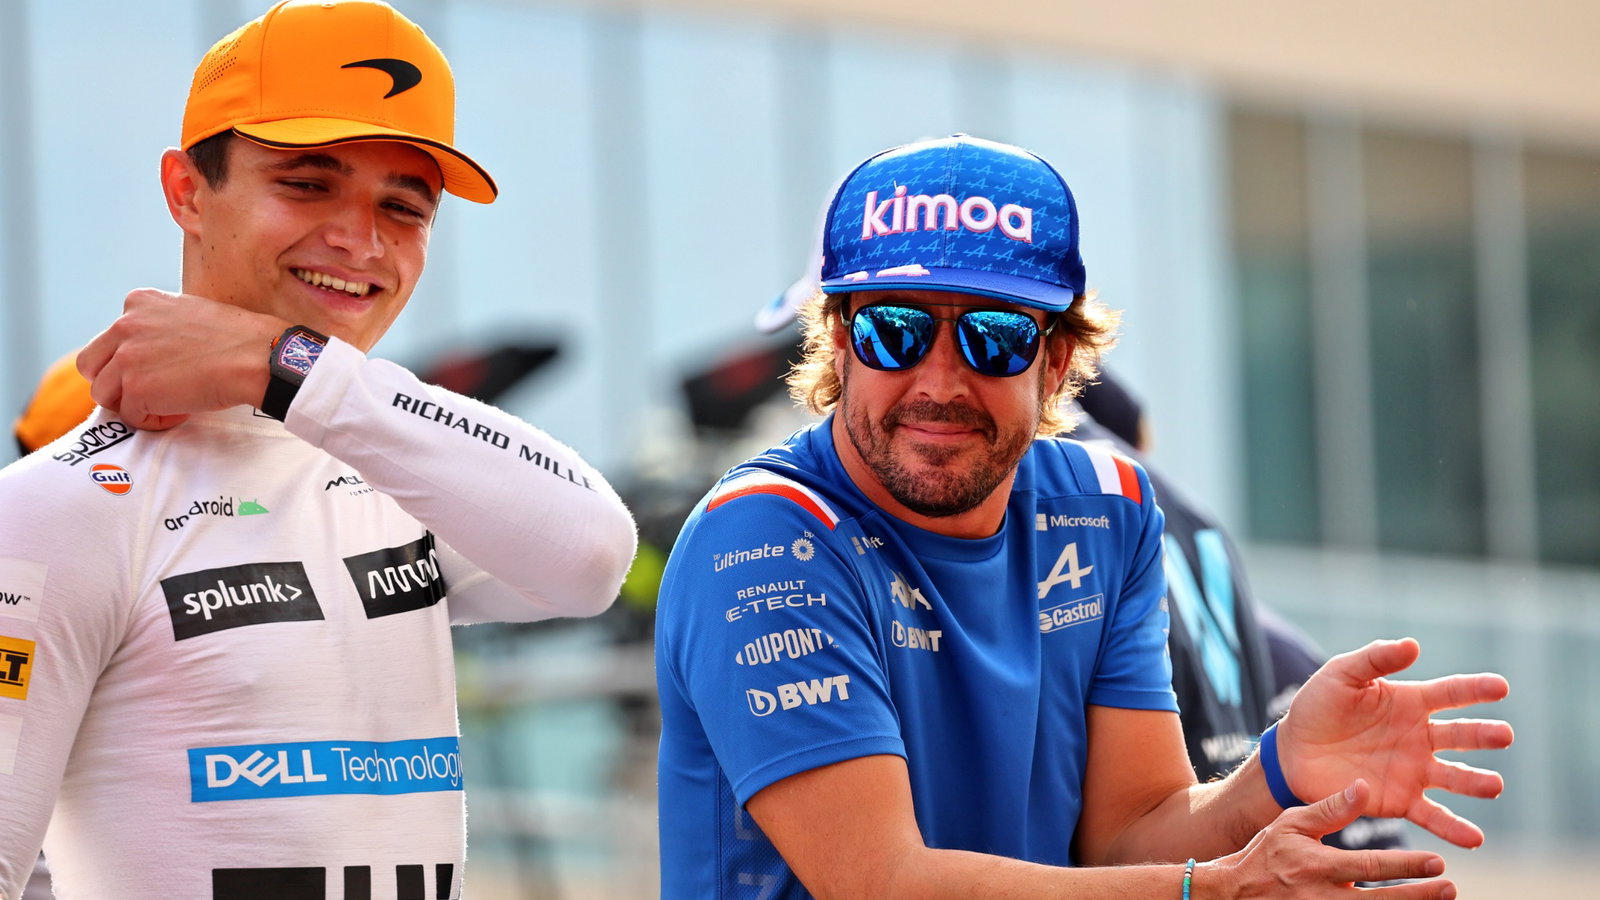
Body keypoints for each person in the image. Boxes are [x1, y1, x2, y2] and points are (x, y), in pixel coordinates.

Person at [654, 134, 1511, 898]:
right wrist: (1212, 892)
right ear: (838, 341)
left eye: (994, 337)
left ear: (1058, 362)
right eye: (896, 331)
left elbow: (1130, 831)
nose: (940, 383)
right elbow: (883, 880)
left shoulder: (1111, 508)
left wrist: (1279, 774)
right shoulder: (763, 533)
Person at [0, 2, 636, 897]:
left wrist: (282, 365)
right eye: (307, 184)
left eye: (403, 207)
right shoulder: (56, 507)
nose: (359, 239)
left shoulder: (396, 461)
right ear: (187, 190)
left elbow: (591, 556)